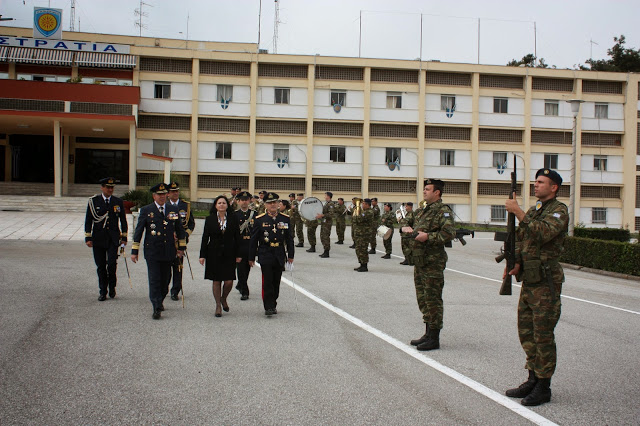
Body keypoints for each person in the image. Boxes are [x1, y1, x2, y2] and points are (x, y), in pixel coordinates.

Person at [503, 168, 568, 407]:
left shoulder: (559, 211)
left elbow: (543, 233)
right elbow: (523, 239)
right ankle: (532, 378)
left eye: (541, 182)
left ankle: (544, 385)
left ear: (554, 188)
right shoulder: (535, 210)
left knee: (543, 335)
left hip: (546, 281)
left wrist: (518, 211)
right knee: (527, 332)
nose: (536, 185)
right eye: (535, 181)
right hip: (530, 280)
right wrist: (515, 261)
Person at [402, 179, 455, 351]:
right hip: (420, 260)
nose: (424, 191)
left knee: (433, 299)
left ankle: (434, 337)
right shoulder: (422, 211)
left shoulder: (443, 211)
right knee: (423, 298)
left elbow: (448, 234)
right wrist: (405, 228)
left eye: (427, 189)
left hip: (433, 262)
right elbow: (408, 222)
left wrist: (428, 237)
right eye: (424, 188)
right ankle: (427, 332)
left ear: (437, 192)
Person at [131, 183, 186, 320]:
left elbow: (179, 229)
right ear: (154, 196)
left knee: (166, 279)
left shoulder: (173, 209)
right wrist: (134, 250)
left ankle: (160, 298)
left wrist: (181, 248)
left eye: (164, 194)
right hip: (153, 251)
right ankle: (156, 306)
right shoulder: (146, 210)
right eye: (159, 194)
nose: (162, 197)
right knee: (154, 279)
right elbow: (139, 231)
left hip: (168, 251)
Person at [248, 192, 295, 316]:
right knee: (268, 280)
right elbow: (254, 240)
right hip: (265, 253)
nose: (273, 205)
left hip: (279, 253)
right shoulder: (260, 219)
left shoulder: (285, 219)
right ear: (265, 205)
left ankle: (273, 302)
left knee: (276, 281)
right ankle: (268, 306)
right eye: (270, 203)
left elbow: (289, 238)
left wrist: (291, 255)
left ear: (279, 204)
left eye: (275, 202)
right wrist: (251, 257)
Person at [84, 177, 128, 301]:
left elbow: (123, 220)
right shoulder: (94, 201)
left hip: (113, 239)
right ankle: (103, 291)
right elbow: (89, 220)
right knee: (101, 266)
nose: (110, 189)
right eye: (108, 187)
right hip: (98, 238)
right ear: (102, 188)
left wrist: (124, 237)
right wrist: (88, 237)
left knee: (112, 265)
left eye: (112, 187)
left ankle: (112, 287)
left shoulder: (117, 201)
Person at [199, 195, 241, 317]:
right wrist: (202, 255)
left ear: (227, 205)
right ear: (215, 206)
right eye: (219, 203)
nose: (221, 205)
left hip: (229, 253)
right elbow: (205, 238)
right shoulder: (210, 219)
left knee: (229, 281)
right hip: (213, 253)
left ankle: (224, 298)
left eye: (224, 203)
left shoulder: (233, 219)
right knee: (216, 280)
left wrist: (239, 254)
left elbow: (237, 237)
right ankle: (218, 305)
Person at [167, 181, 195, 301]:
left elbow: (191, 224)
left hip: (180, 242)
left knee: (178, 267)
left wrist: (184, 235)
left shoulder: (185, 205)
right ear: (168, 194)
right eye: (173, 192)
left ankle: (175, 291)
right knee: (166, 267)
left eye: (177, 191)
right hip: (167, 241)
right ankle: (164, 288)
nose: (175, 193)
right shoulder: (165, 205)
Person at [235, 191, 255, 300]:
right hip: (239, 245)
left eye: (246, 200)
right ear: (238, 201)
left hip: (250, 245)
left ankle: (240, 284)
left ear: (249, 201)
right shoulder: (234, 215)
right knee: (240, 268)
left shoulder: (254, 214)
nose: (244, 202)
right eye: (242, 200)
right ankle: (245, 291)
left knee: (247, 268)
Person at [352, 198, 375, 272]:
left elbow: (358, 219)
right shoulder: (364, 211)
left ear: (367, 205)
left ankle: (364, 266)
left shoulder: (369, 212)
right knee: (359, 249)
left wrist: (355, 215)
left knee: (363, 250)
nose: (362, 205)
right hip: (360, 233)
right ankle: (361, 264)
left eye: (363, 203)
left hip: (364, 234)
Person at [316, 191, 337, 258]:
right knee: (322, 236)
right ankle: (325, 250)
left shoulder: (331, 204)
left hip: (327, 223)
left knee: (325, 237)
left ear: (328, 196)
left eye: (325, 195)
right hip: (324, 222)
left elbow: (331, 214)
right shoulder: (327, 203)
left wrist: (322, 215)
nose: (324, 196)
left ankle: (327, 252)